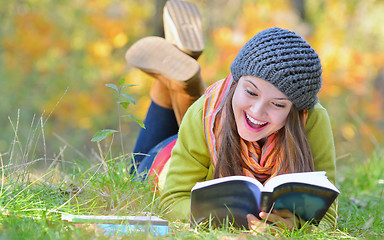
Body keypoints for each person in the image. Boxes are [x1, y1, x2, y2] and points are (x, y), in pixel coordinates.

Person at [125, 0, 337, 233]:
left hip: (204, 138)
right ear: (235, 82)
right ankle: (179, 81)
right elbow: (171, 200)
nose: (257, 111)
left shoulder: (312, 119)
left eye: (277, 104)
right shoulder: (205, 111)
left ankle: (181, 72)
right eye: (250, 91)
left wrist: (292, 227)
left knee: (218, 115)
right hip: (163, 159)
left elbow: (327, 216)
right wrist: (229, 223)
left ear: (296, 110)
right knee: (135, 170)